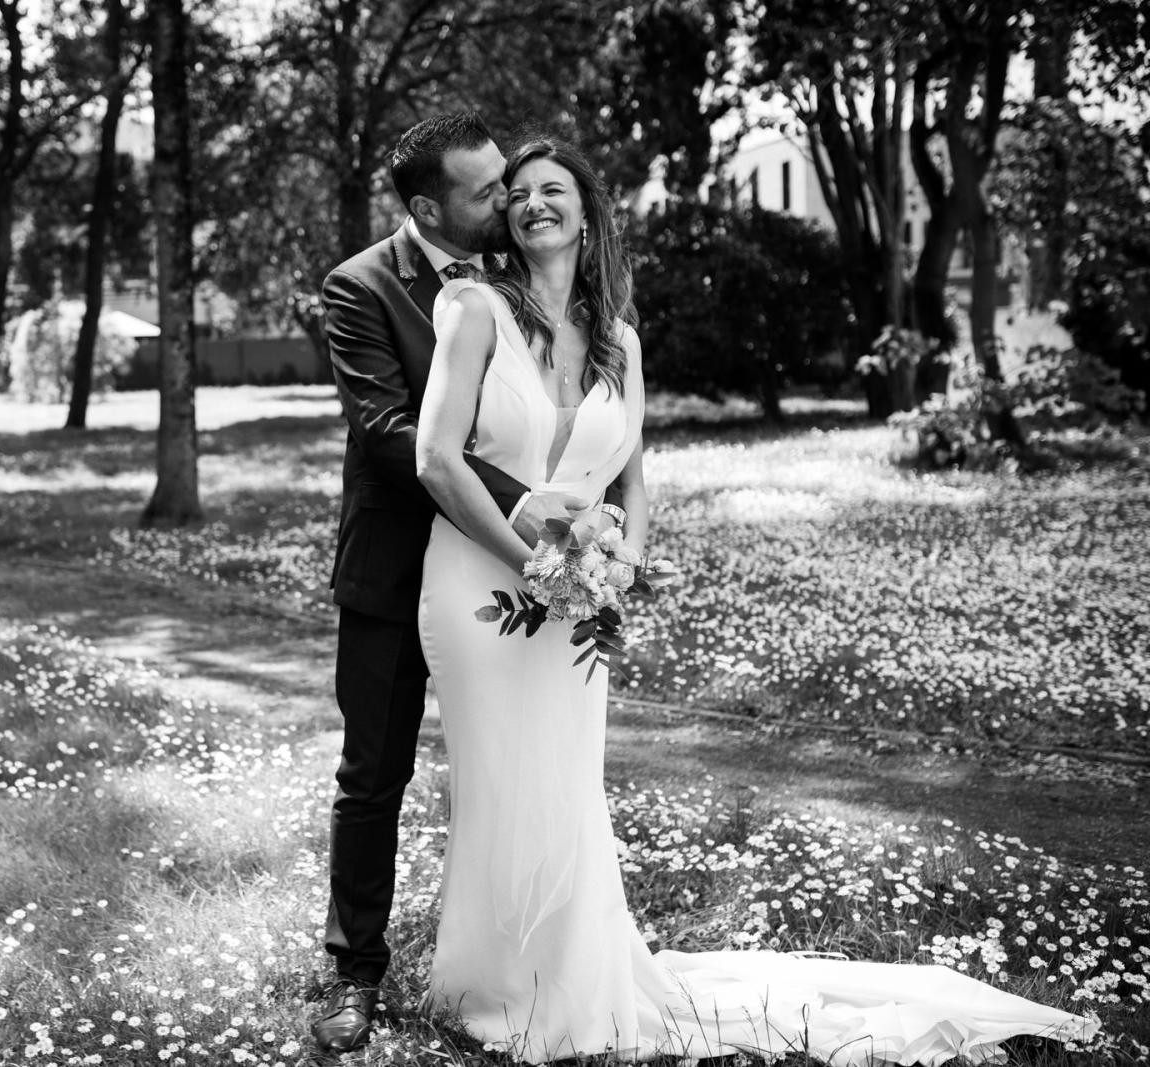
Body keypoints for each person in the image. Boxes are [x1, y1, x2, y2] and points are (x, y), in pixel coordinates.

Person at [411, 133, 1099, 1063]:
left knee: (567, 786)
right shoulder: (472, 307)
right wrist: (535, 561)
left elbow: (634, 484)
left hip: (580, 605)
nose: (534, 203)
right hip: (478, 590)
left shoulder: (621, 339)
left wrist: (622, 572)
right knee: (499, 779)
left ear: (587, 210)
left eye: (554, 189)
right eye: (518, 192)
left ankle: (576, 981)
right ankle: (491, 985)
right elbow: (436, 459)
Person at [312, 112, 590, 1054]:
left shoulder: (520, 277)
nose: (508, 197)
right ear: (431, 206)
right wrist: (540, 509)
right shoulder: (358, 288)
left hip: (501, 583)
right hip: (398, 571)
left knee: (518, 766)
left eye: (509, 178)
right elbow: (393, 434)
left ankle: (523, 965)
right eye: (487, 190)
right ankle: (353, 971)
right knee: (374, 774)